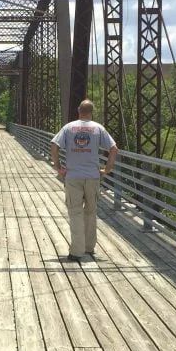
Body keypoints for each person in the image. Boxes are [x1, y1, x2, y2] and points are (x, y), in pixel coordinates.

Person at [50, 99, 118, 261]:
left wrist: (58, 167)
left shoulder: (68, 127)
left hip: (73, 176)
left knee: (75, 213)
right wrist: (107, 169)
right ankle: (89, 247)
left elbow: (54, 146)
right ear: (91, 112)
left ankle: (77, 251)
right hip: (93, 176)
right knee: (91, 212)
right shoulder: (98, 128)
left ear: (79, 110)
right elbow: (114, 149)